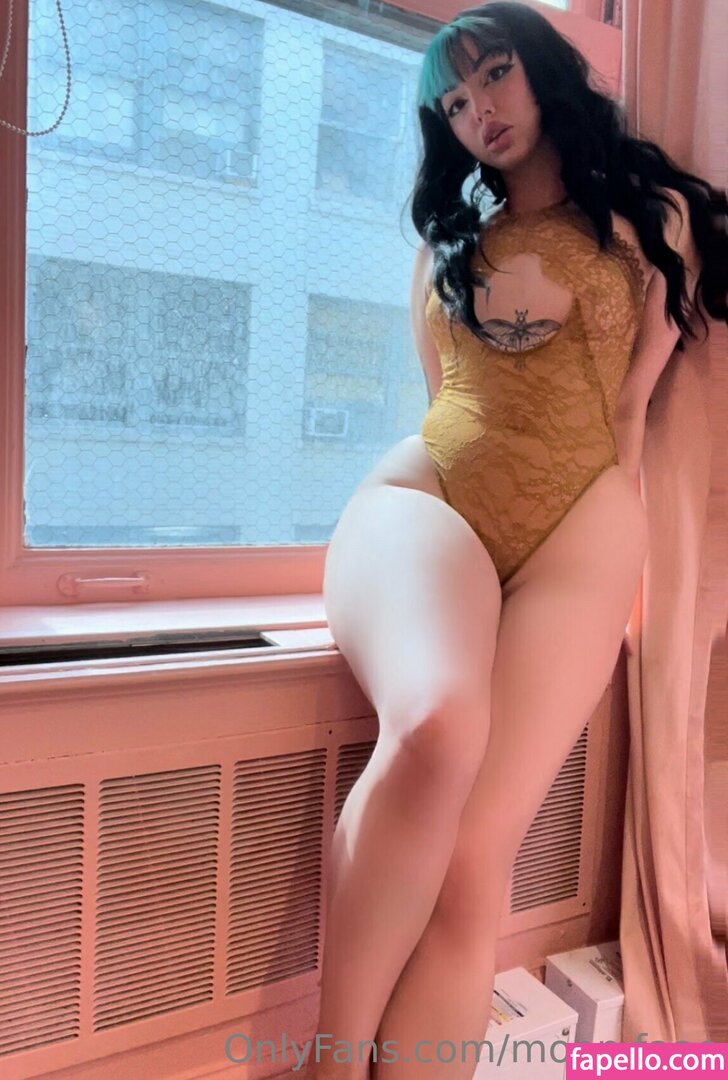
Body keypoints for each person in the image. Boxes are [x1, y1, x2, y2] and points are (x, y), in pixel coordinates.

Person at [308, 4, 727, 1078]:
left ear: (544, 70)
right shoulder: (448, 243)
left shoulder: (656, 221)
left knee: (475, 862)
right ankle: (329, 1064)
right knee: (437, 723)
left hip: (584, 518)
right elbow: (442, 397)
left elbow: (631, 413)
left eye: (493, 75)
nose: (477, 111)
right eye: (453, 102)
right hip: (433, 493)